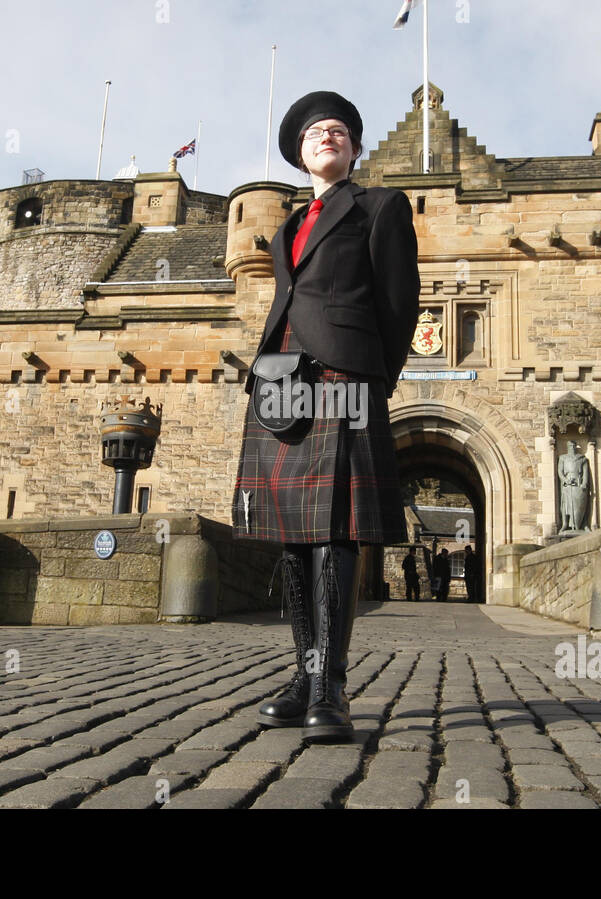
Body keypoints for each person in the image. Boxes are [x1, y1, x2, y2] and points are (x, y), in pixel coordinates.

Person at [232, 91, 420, 744]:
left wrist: (374, 377)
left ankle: (331, 684)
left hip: (345, 375)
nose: (328, 137)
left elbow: (400, 303)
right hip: (282, 376)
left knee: (336, 526)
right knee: (291, 532)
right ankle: (302, 672)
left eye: (339, 130)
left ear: (355, 148)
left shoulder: (379, 207)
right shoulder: (285, 227)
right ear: (300, 152)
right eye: (316, 132)